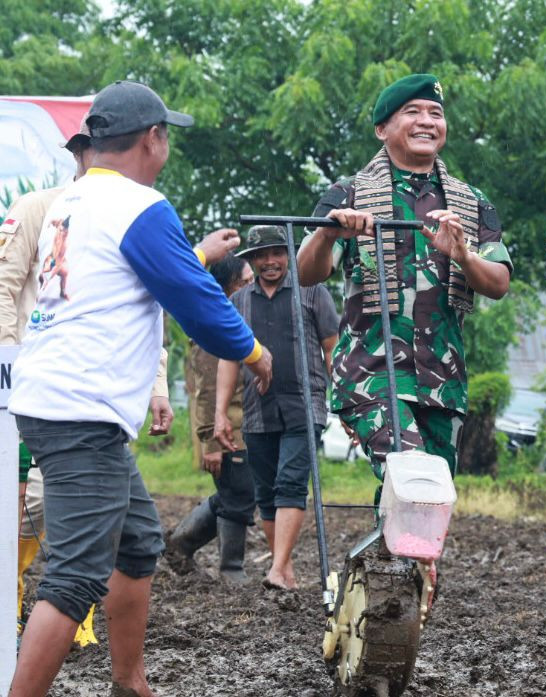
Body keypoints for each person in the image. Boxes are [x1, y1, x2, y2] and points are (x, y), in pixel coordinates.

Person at [7, 80, 271, 697]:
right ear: (153, 139)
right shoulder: (138, 206)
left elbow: (142, 287)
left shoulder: (69, 200)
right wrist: (254, 353)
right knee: (74, 578)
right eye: (166, 135)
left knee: (138, 541)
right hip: (80, 407)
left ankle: (129, 681)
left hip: (57, 397)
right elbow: (197, 302)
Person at [297, 72, 512, 491]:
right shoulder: (350, 193)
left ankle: (384, 559)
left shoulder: (470, 202)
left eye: (436, 113)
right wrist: (329, 232)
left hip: (443, 383)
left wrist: (463, 254)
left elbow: (499, 283)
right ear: (383, 130)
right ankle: (398, 557)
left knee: (427, 498)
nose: (427, 121)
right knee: (415, 478)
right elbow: (306, 272)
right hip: (371, 376)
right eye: (412, 112)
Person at [215, 225, 338, 590]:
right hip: (258, 410)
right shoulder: (238, 303)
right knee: (266, 492)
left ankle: (277, 567)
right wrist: (221, 413)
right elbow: (229, 360)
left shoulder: (312, 291)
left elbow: (331, 348)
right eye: (261, 256)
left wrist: (345, 401)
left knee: (290, 482)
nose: (270, 262)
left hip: (306, 403)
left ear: (288, 254)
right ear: (251, 261)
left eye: (276, 253)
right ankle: (282, 570)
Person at [166, 254, 256, 584]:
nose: (251, 286)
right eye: (244, 282)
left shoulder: (240, 317)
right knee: (238, 496)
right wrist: (209, 441)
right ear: (227, 287)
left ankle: (180, 543)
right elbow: (205, 387)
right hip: (226, 429)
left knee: (239, 493)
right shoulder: (213, 324)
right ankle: (231, 569)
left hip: (246, 424)